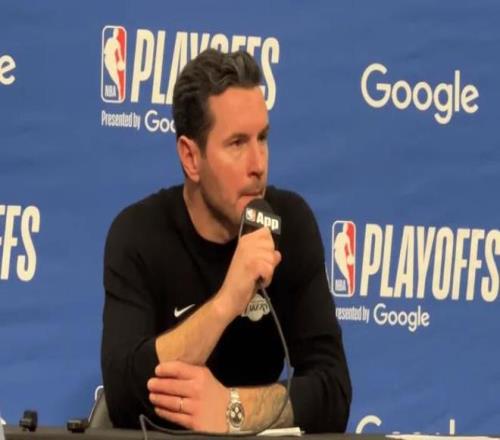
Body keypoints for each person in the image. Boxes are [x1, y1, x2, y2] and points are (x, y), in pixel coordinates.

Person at [101, 49, 352, 433]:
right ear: (191, 158)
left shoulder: (289, 223)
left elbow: (333, 391)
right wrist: (226, 303)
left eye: (262, 138)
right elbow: (123, 396)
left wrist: (232, 409)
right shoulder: (138, 234)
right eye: (237, 143)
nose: (258, 164)